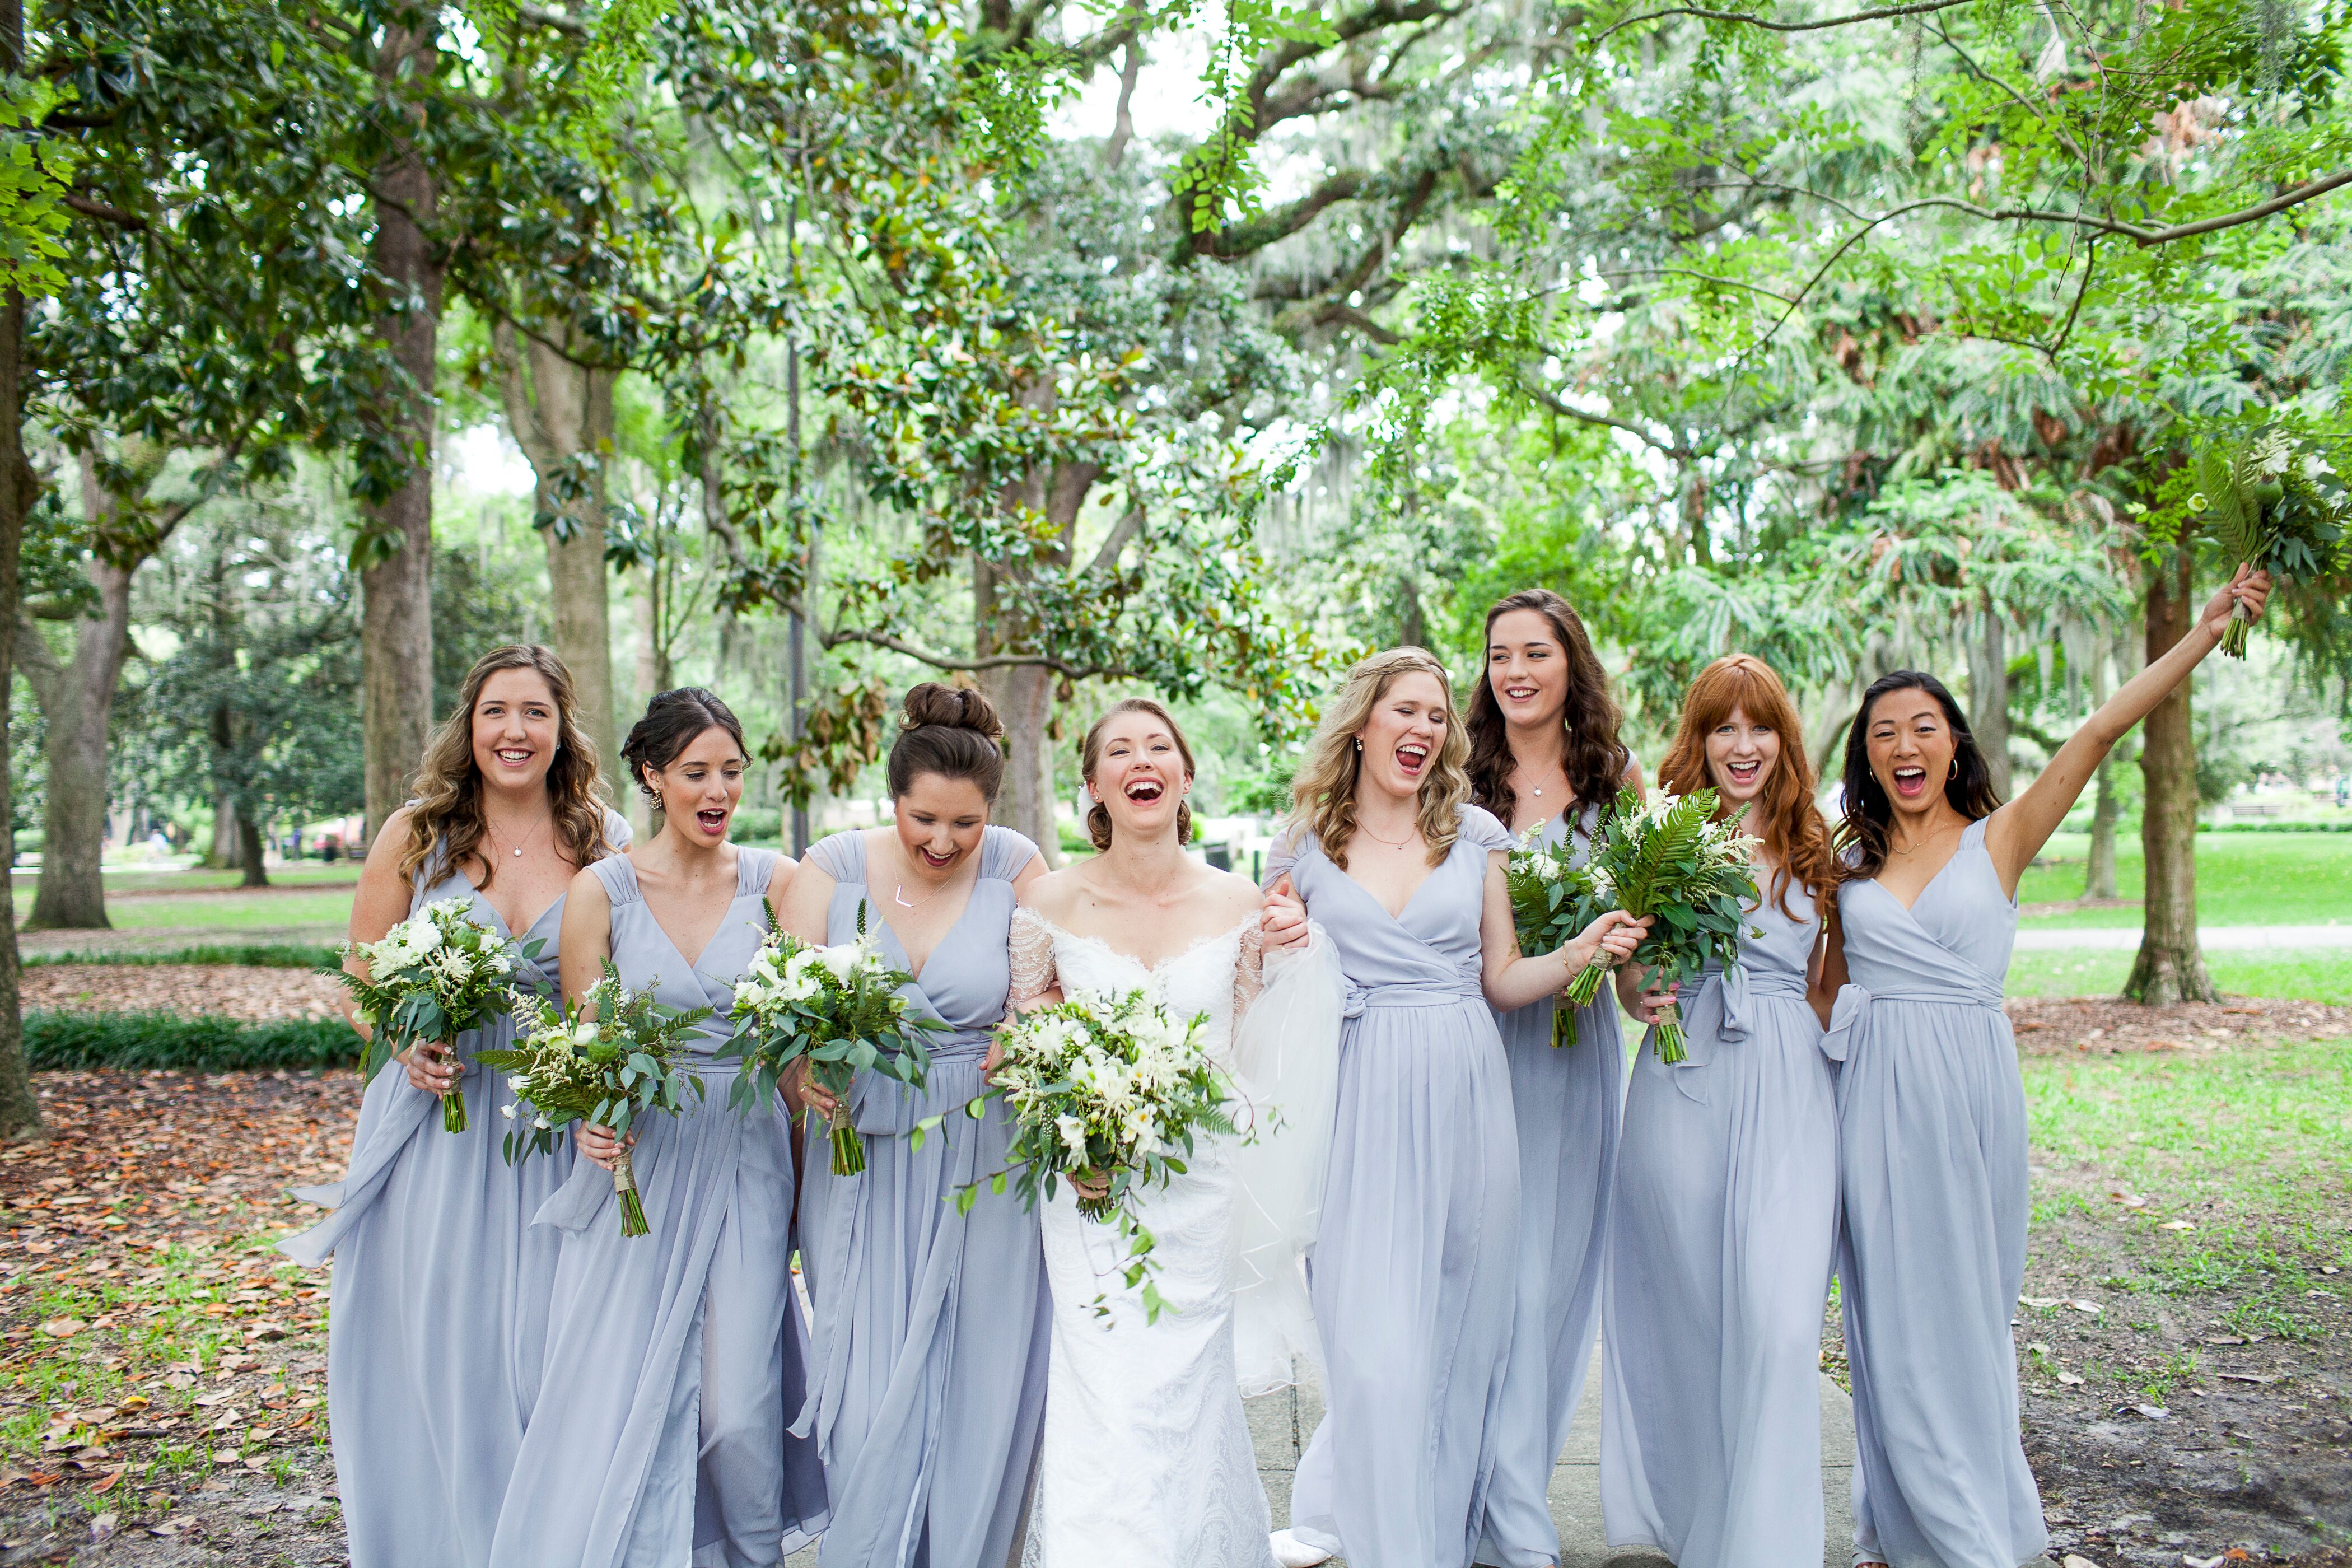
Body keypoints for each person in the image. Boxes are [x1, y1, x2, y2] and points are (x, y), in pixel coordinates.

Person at [1827, 565, 2271, 1568]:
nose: (1905, 745)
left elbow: (2099, 732)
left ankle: (1979, 1519)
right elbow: (1817, 992)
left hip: (1974, 1095)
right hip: (1874, 1098)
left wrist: (2202, 634)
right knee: (1891, 1318)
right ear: (1865, 753)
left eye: (1924, 727)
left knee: (1970, 1313)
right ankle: (1908, 1523)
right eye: (1885, 731)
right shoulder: (1844, 869)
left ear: (1954, 744)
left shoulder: (2003, 840)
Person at [1263, 648, 1646, 1568]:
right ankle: (1380, 1532)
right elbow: (1260, 984)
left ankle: (1428, 1542)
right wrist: (1272, 946)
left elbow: (1504, 979)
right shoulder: (1302, 846)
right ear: (1364, 723)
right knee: (1373, 1351)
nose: (1425, 730)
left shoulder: (1474, 834)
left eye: (1438, 716)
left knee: (1461, 1335)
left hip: (1470, 1094)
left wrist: (1584, 951)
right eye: (1406, 711)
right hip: (1358, 1103)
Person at [282, 645, 629, 1568]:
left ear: (563, 730)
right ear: (468, 726)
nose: (514, 731)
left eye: (535, 713)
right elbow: (362, 973)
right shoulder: (417, 833)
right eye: (495, 712)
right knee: (448, 1341)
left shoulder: (606, 837)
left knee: (554, 1346)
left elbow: (634, 978)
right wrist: (399, 1036)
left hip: (558, 1127)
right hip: (441, 1123)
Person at [491, 688, 828, 1568]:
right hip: (640, 1168)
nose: (718, 790)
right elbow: (583, 1052)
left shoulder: (779, 884)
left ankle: (749, 1553)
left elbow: (797, 1053)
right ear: (652, 776)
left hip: (750, 1157)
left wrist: (813, 1155)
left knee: (736, 1409)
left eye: (731, 773)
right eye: (696, 773)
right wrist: (588, 1127)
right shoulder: (598, 893)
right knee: (634, 1390)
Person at [1005, 697, 1329, 1567]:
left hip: (1200, 1188)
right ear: (1095, 787)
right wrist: (1073, 1132)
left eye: (1159, 747)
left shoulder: (1239, 901)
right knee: (1103, 1391)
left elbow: (1257, 1044)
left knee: (1188, 1390)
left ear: (1183, 777)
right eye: (1119, 750)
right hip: (1092, 1191)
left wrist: (1298, 952)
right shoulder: (1047, 899)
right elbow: (1024, 1039)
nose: (1141, 759)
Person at [782, 683, 1051, 1568]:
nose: (942, 843)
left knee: (980, 1375)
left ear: (992, 813)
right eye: (923, 819)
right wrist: (801, 1070)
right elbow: (775, 1012)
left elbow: (1054, 995)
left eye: (964, 825)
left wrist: (1026, 1029)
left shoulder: (1018, 867)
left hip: (986, 1154)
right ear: (891, 799)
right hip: (859, 1157)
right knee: (862, 1389)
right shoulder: (831, 866)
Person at [1603, 654, 1840, 1568]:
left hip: (1787, 1088)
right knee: (1690, 1309)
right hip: (1683, 1080)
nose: (1743, 746)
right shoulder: (1661, 838)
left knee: (1779, 1325)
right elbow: (1629, 976)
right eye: (1723, 728)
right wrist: (1638, 990)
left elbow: (1830, 990)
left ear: (1784, 739)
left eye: (1760, 727)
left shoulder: (1817, 847)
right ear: (1698, 741)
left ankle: (1769, 1542)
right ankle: (1692, 1520)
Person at [1462, 589, 1642, 1565]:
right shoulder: (1455, 777)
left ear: (1572, 663)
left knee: (1548, 1283)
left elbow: (1638, 931)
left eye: (1536, 652)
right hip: (1479, 1054)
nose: (1517, 672)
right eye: (1500, 656)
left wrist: (1640, 978)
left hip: (1572, 1058)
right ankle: (1459, 1481)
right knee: (1484, 1280)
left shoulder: (1617, 784)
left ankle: (1513, 1499)